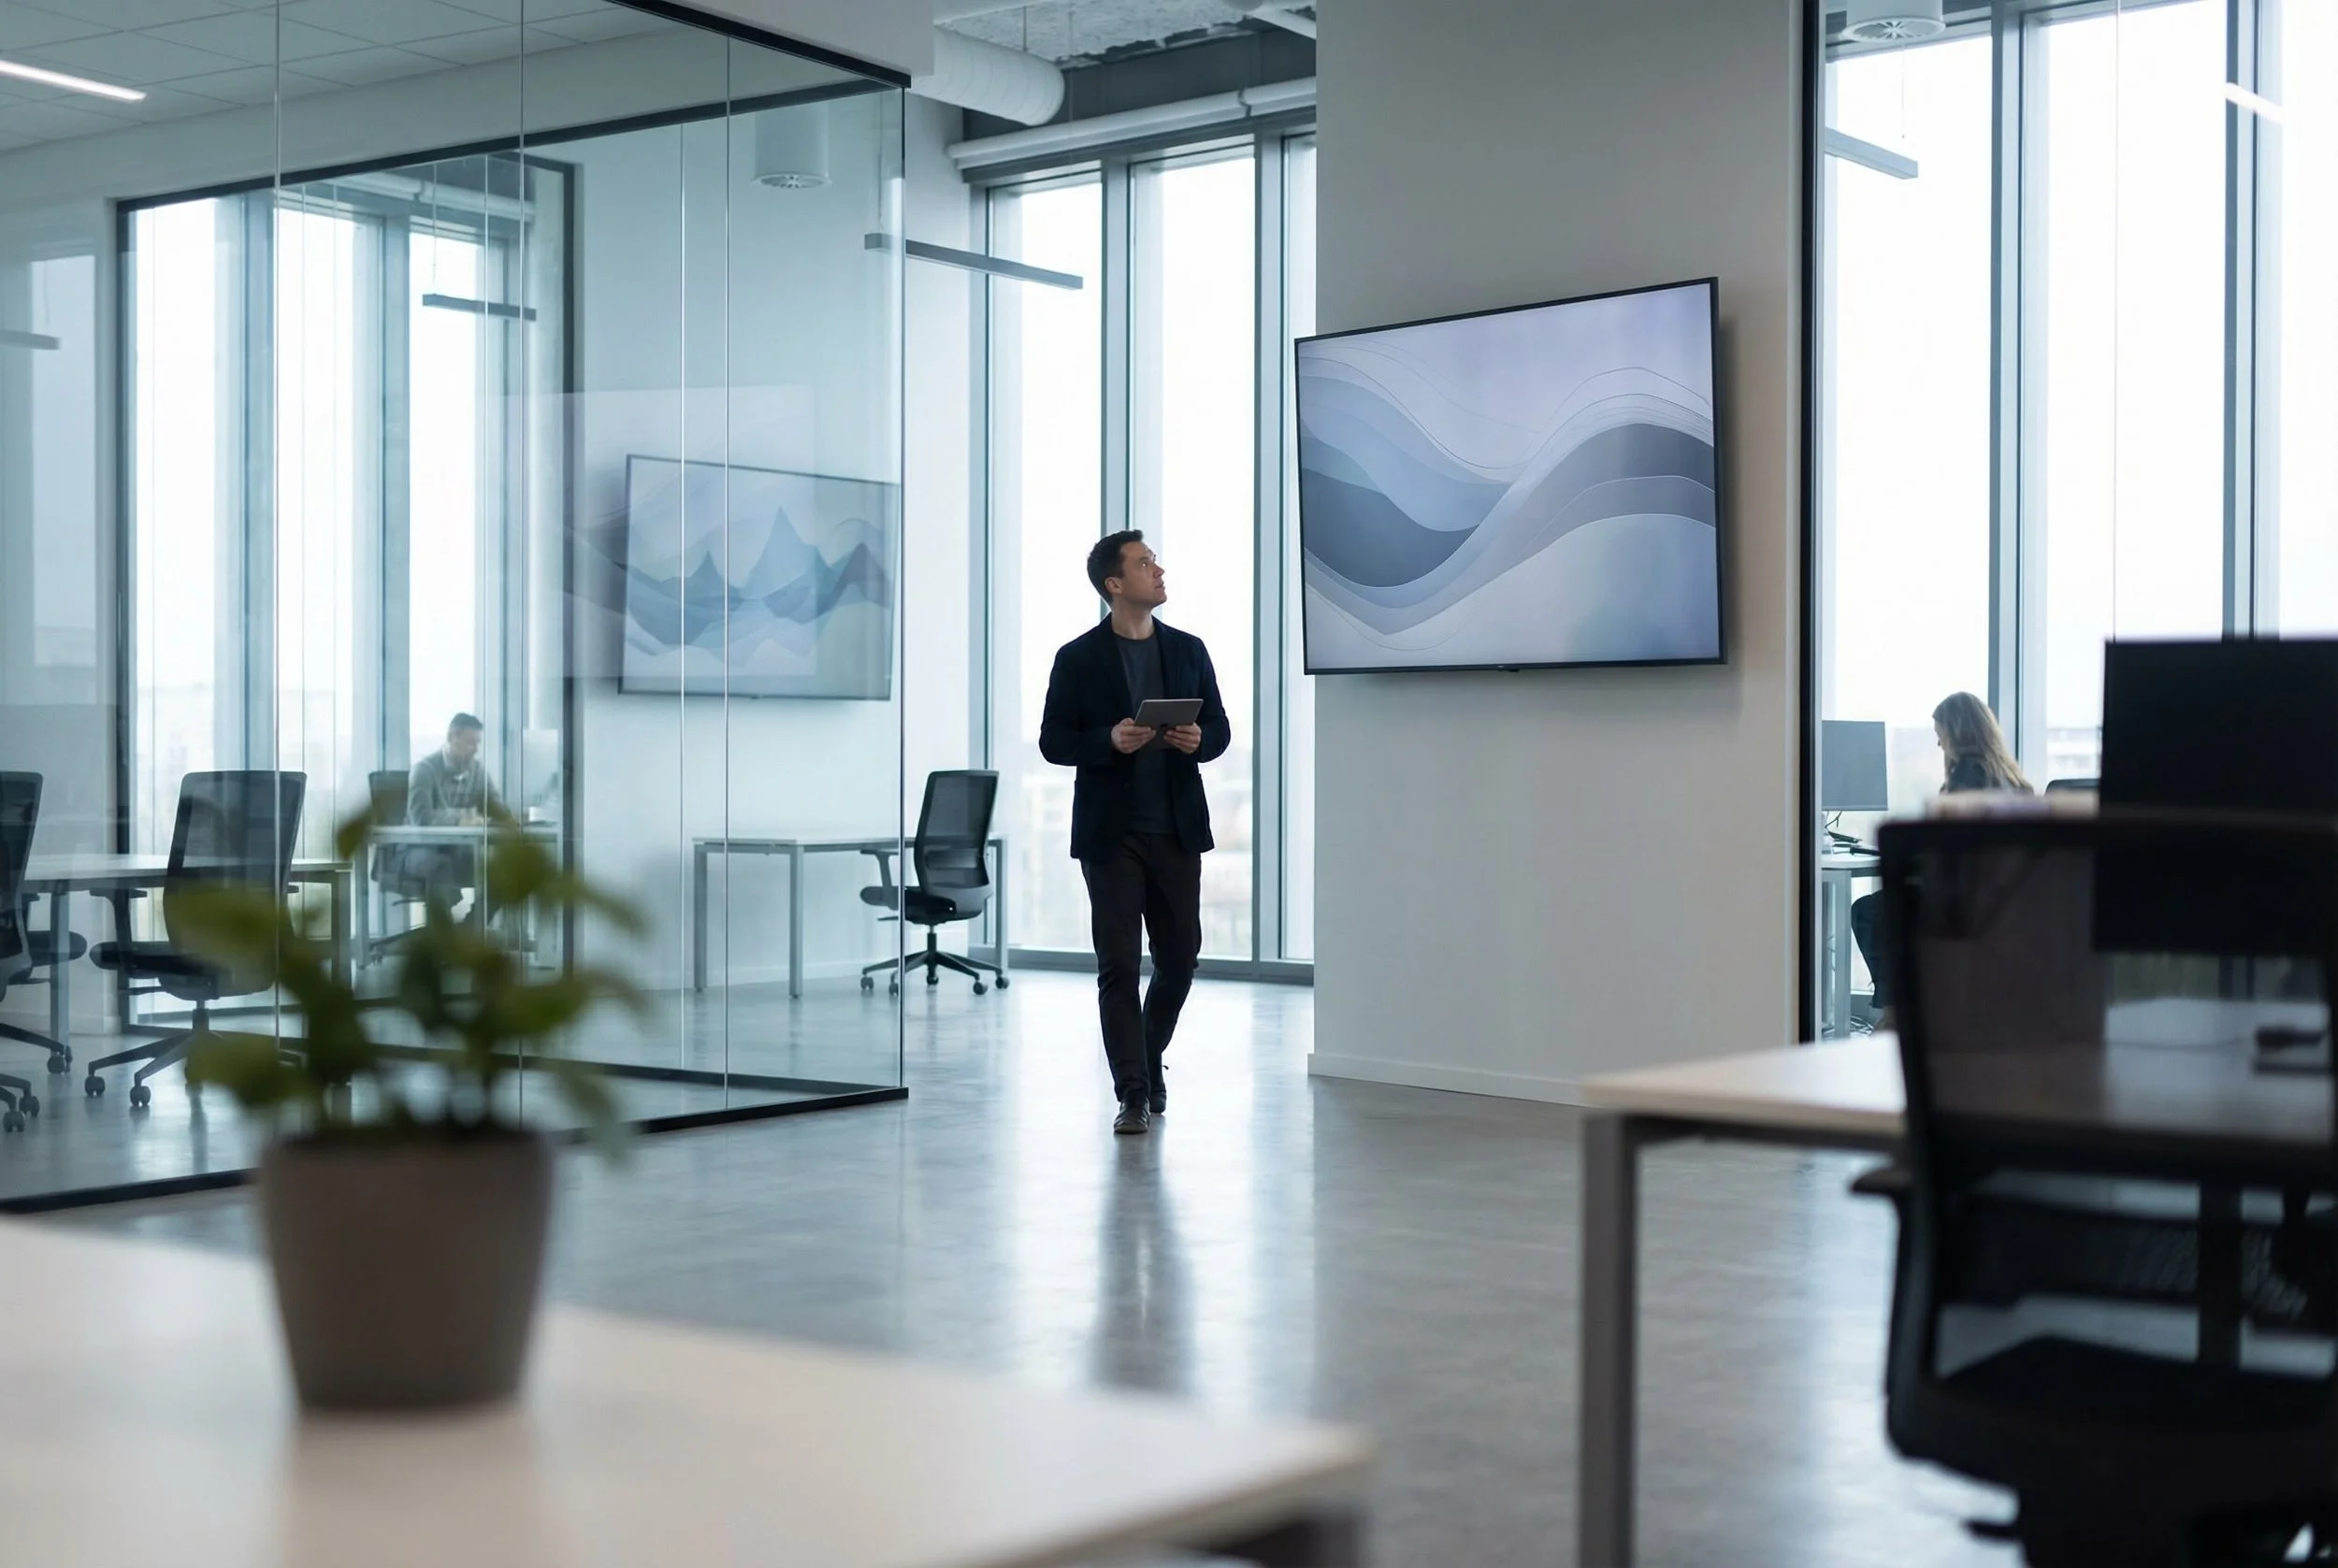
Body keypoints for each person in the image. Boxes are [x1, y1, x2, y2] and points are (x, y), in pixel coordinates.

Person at [1038, 531, 1231, 1135]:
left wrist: (1200, 741)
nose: (1159, 569)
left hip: (1175, 827)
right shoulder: (1078, 657)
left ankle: (1146, 1056)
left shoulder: (1190, 649)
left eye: (1155, 561)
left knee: (1180, 961)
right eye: (1145, 564)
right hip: (1111, 835)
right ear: (1114, 585)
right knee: (1118, 965)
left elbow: (1219, 727)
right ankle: (1133, 1093)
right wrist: (1106, 740)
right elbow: (1053, 741)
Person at [1850, 691, 2031, 1025]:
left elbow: (1945, 851)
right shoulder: (2015, 782)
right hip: (2001, 906)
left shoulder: (1965, 779)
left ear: (1957, 734)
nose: (1939, 746)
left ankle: (1897, 1003)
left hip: (1960, 903)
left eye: (1940, 737)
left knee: (1867, 910)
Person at [404, 712, 501, 909]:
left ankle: (470, 928)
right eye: (469, 744)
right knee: (441, 866)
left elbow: (498, 810)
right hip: (418, 849)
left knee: (502, 871)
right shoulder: (424, 769)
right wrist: (465, 817)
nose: (475, 750)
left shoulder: (477, 771)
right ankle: (441, 935)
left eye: (477, 744)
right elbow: (422, 819)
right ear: (451, 738)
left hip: (460, 849)